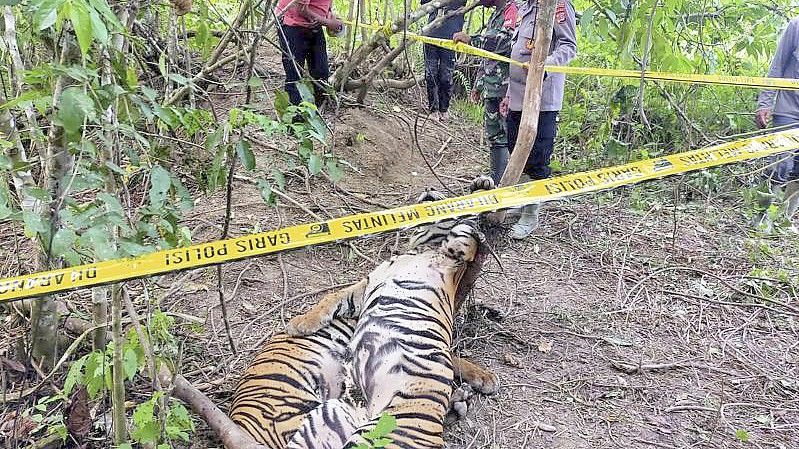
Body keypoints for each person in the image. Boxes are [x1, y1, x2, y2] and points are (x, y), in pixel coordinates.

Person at [500, 0, 577, 239]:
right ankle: (522, 202)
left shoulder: (558, 5)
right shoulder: (525, 6)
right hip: (517, 94)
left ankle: (531, 214)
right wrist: (508, 93)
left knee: (538, 156)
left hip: (542, 97)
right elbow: (518, 48)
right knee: (515, 149)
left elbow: (569, 46)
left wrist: (545, 64)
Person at [453, 0, 519, 184]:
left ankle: (510, 186)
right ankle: (497, 183)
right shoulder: (496, 14)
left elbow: (506, 41)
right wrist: (478, 83)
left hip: (507, 88)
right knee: (495, 137)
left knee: (510, 137)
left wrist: (472, 40)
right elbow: (488, 58)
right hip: (491, 87)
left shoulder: (513, 10)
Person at [754, 17, 799, 226]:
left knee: (798, 172)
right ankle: (762, 218)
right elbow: (777, 65)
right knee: (780, 165)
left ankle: (785, 220)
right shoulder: (796, 26)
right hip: (788, 110)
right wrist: (765, 102)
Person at [275, 0, 343, 106]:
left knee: (321, 72)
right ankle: (295, 114)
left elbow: (327, 4)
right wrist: (328, 23)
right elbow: (301, 9)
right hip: (291, 24)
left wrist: (330, 15)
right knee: (294, 73)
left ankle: (319, 109)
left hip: (314, 25)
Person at [421, 0, 467, 121]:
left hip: (452, 39)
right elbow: (424, 5)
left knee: (446, 76)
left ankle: (444, 109)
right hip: (431, 35)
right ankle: (433, 109)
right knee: (431, 74)